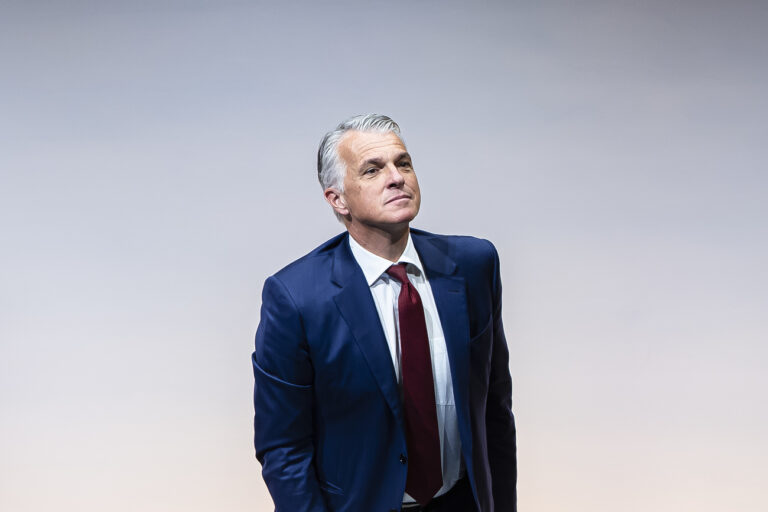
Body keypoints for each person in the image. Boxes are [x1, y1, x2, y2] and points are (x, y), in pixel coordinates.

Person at [252, 114, 516, 512]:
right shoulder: (296, 297)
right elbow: (283, 448)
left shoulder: (474, 265)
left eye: (403, 163)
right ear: (337, 199)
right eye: (373, 170)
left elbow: (495, 411)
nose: (396, 178)